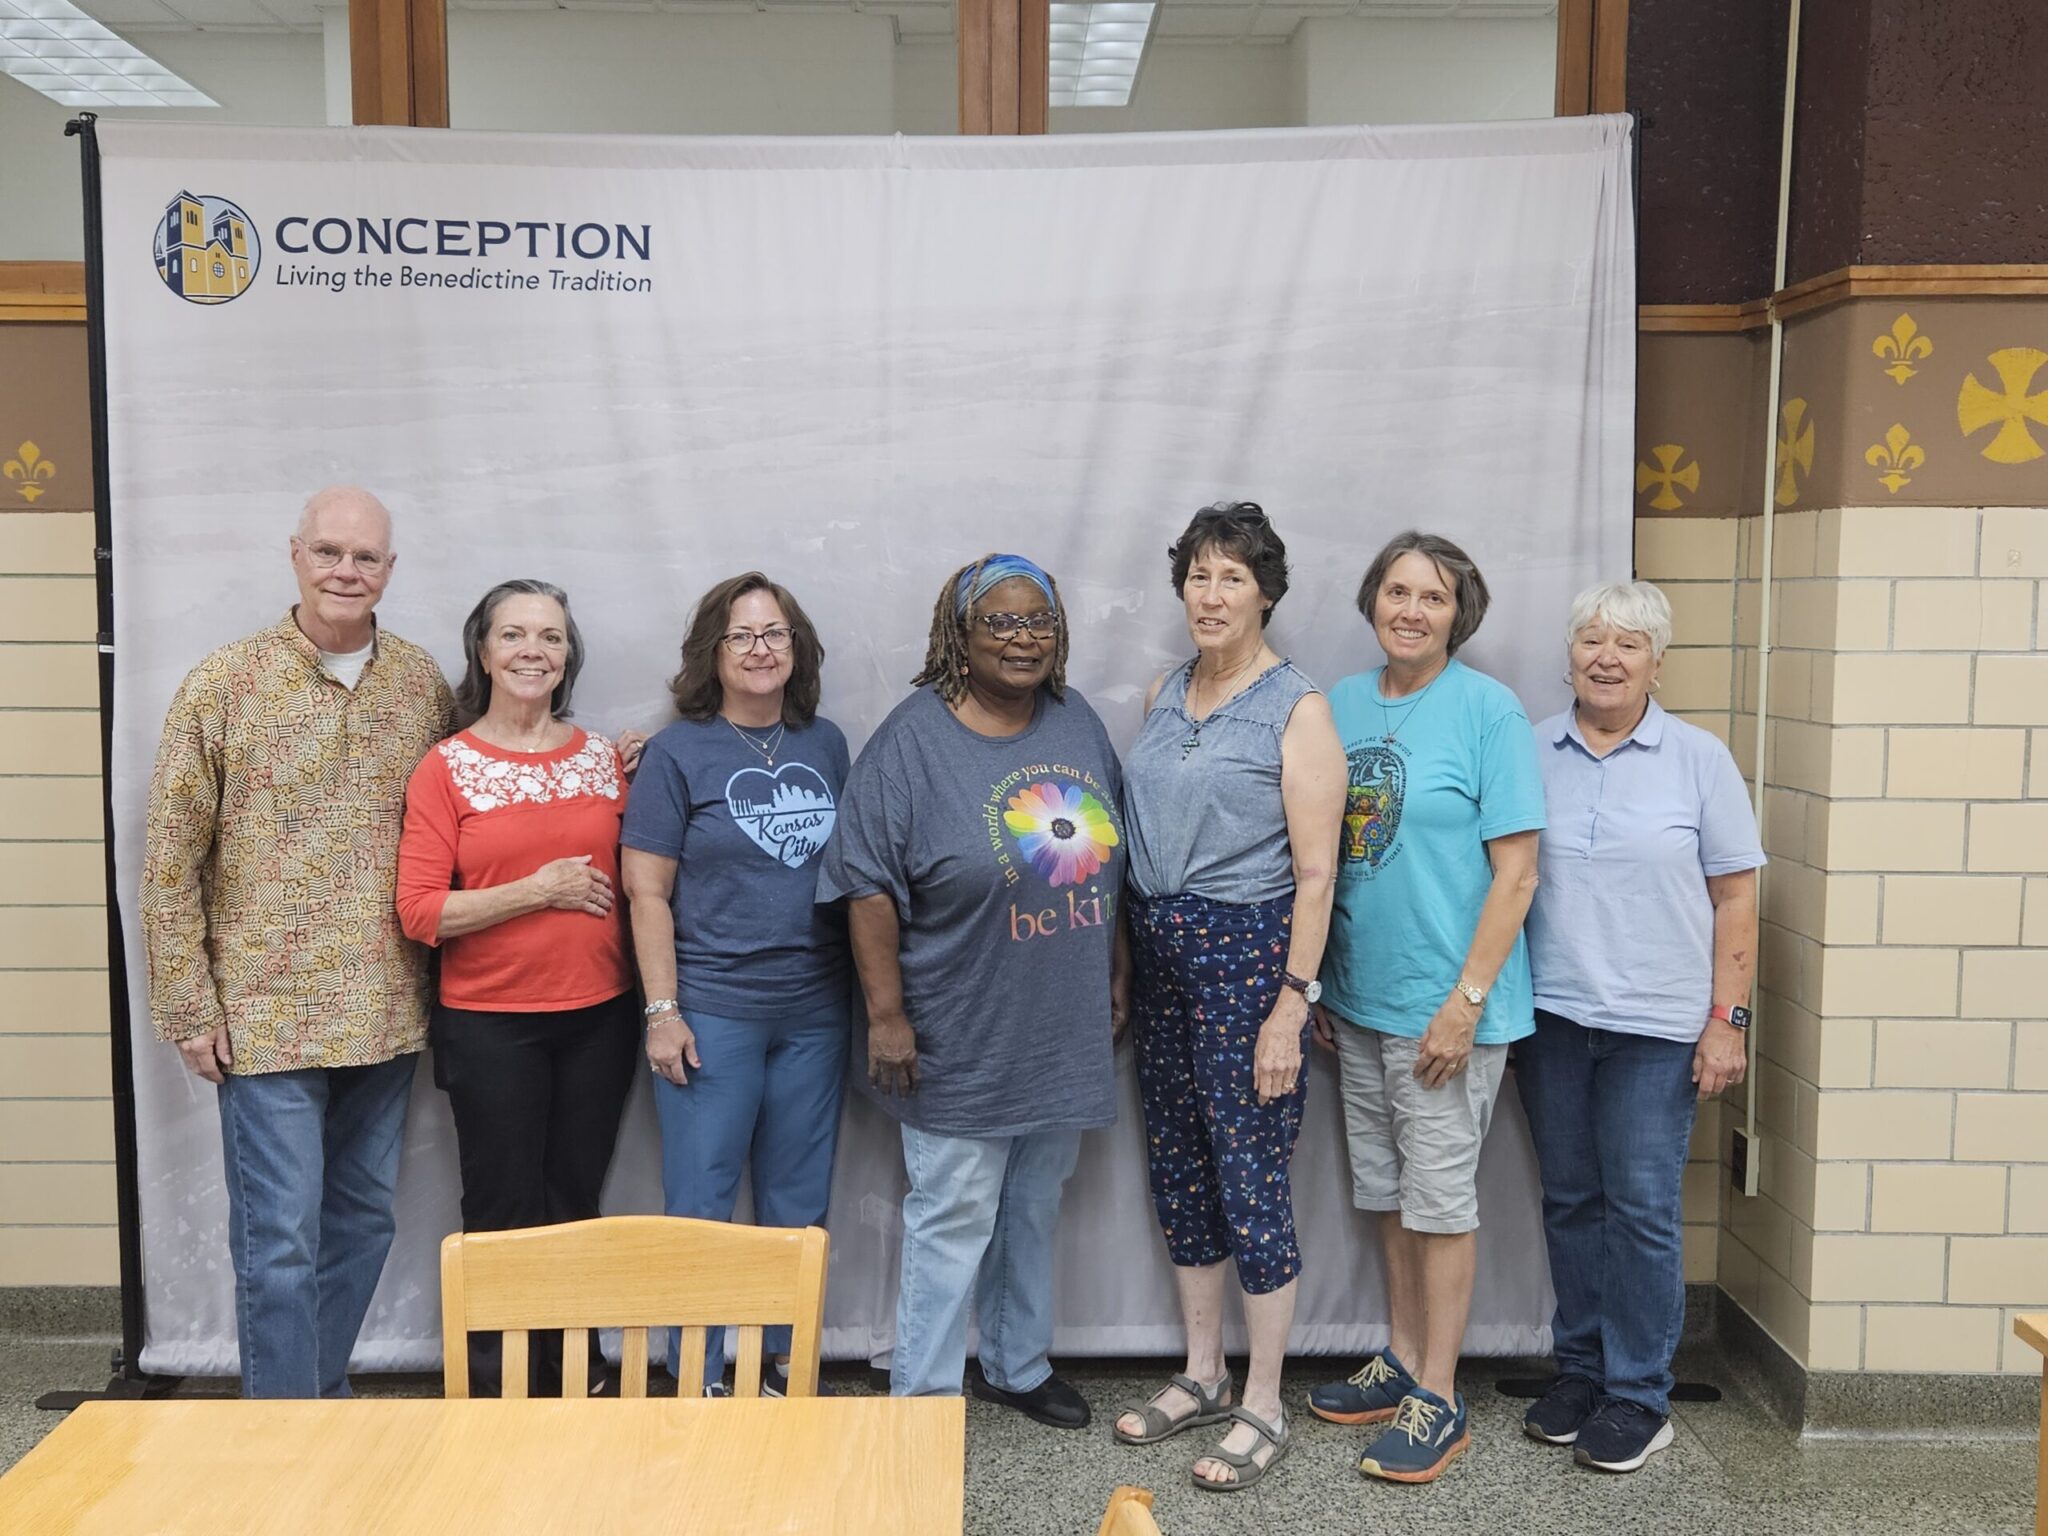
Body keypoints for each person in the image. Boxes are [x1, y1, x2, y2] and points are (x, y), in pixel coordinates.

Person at [141, 486, 453, 1399]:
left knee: (363, 1221)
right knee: (278, 1237)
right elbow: (170, 860)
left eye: (366, 557)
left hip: (387, 1010)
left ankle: (311, 1404)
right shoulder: (223, 684)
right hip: (264, 1018)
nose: (346, 570)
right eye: (329, 552)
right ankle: (284, 1431)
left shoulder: (421, 685)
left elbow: (479, 790)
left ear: (390, 569)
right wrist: (189, 1007)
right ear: (295, 555)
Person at [816, 553, 1126, 1426]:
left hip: (1059, 1022)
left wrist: (1117, 967)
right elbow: (865, 884)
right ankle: (922, 1398)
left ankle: (1017, 1365)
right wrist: (886, 1016)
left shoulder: (1076, 721)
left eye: (1040, 621)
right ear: (960, 634)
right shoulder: (912, 741)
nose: (1024, 638)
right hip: (957, 1025)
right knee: (953, 1215)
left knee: (1033, 1202)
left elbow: (1108, 854)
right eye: (1001, 621)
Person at [1111, 503, 1345, 1491]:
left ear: (1266, 595)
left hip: (1248, 960)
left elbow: (1317, 875)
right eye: (1198, 576)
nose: (1210, 596)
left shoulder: (1298, 709)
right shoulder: (1165, 691)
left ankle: (1263, 1400)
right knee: (1179, 1168)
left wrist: (1291, 1004)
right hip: (1160, 954)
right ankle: (1202, 1373)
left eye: (1232, 578)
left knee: (1250, 1177)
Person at [1307, 530, 1545, 1484]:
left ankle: (1439, 1397)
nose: (1411, 610)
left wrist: (1466, 1002)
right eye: (1398, 592)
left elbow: (1517, 875)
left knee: (1440, 1204)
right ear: (1374, 600)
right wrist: (1325, 983)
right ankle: (1404, 1357)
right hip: (1360, 1004)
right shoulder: (1340, 704)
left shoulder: (1491, 712)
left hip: (1448, 1010)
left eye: (1433, 597)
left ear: (1459, 614)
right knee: (1387, 1192)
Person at [1518, 580, 1762, 1473]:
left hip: (1658, 1028)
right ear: (1570, 655)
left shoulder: (1699, 759)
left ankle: (1639, 1395)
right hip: (1551, 1017)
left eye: (1629, 643)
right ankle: (1581, 1373)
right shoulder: (1531, 749)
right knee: (1570, 1202)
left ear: (1658, 662)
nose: (1608, 658)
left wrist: (1727, 1021)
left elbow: (1736, 898)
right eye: (1592, 639)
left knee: (1642, 1209)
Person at [395, 579, 637, 1396]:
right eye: (514, 634)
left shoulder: (603, 759)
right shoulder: (447, 768)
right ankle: (502, 1389)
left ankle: (576, 1373)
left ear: (568, 655)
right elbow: (420, 912)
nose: (533, 650)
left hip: (600, 1018)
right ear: (484, 651)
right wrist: (537, 891)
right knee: (502, 1209)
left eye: (551, 636)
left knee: (575, 1199)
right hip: (491, 1025)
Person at [620, 573, 851, 1397]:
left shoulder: (827, 743)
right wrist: (662, 1011)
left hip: (815, 1012)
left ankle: (785, 1367)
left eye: (775, 633)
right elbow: (646, 891)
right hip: (712, 1011)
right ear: (711, 653)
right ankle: (698, 1377)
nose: (760, 649)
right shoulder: (677, 753)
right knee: (701, 1202)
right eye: (741, 635)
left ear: (798, 648)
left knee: (800, 1202)